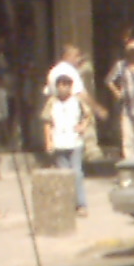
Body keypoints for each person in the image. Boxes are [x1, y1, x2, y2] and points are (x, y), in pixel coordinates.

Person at [42, 73, 93, 214]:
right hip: (59, 142)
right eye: (61, 85)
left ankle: (81, 204)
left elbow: (88, 115)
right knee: (64, 175)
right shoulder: (52, 102)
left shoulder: (77, 101)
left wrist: (83, 126)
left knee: (77, 173)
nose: (63, 88)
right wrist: (49, 141)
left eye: (66, 85)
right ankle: (67, 204)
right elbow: (47, 122)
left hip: (75, 142)